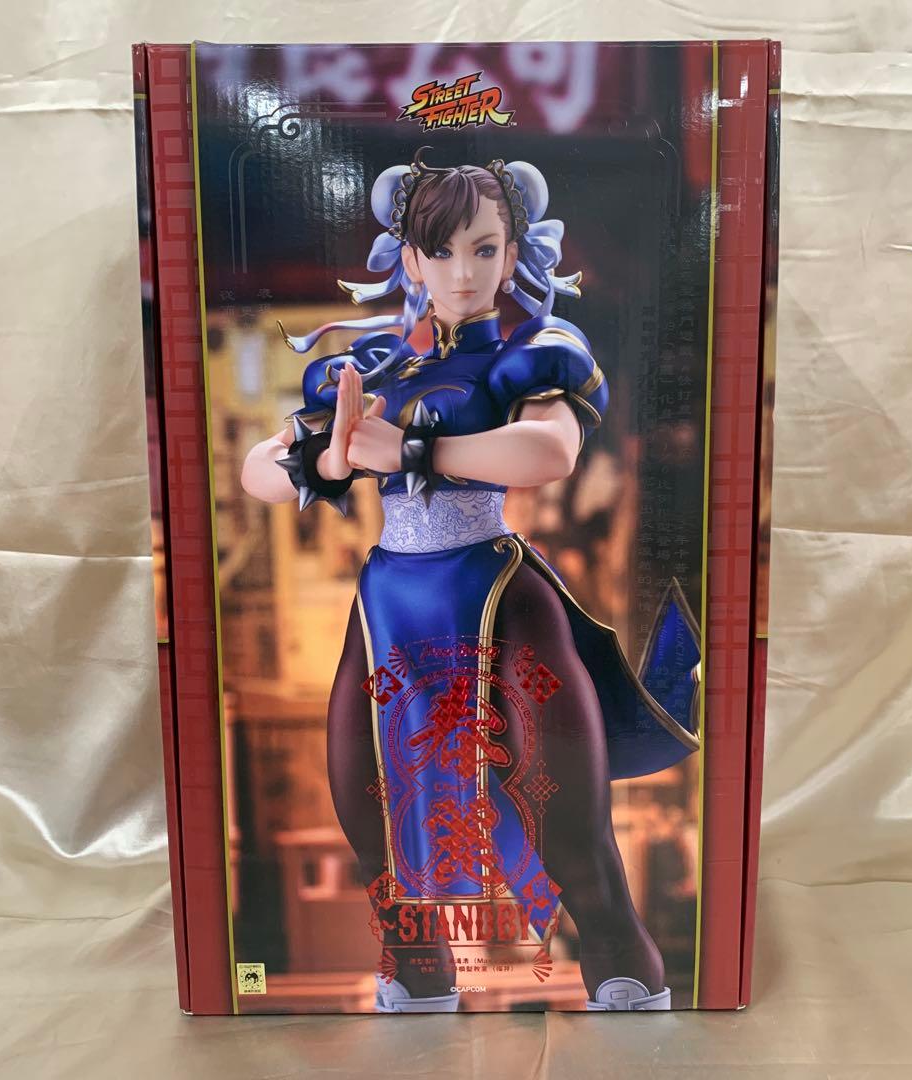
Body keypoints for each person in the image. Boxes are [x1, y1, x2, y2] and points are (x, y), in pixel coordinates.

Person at [241, 148, 700, 1012]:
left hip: (498, 593)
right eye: (441, 250)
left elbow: (549, 452)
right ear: (409, 260)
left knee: (565, 819)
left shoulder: (534, 352)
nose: (462, 272)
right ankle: (419, 974)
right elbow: (260, 470)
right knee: (370, 813)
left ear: (513, 253)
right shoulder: (373, 366)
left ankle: (623, 972)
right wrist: (327, 458)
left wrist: (409, 451)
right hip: (390, 606)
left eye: (484, 249)